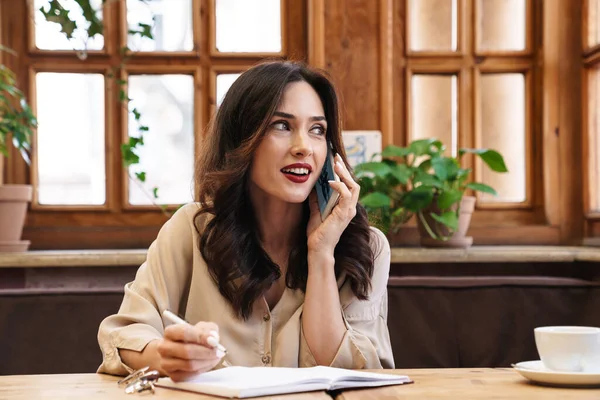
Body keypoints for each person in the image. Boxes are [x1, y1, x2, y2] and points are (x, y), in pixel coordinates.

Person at [97, 60, 394, 381]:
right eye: (281, 125)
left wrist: (321, 254)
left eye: (317, 130)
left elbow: (350, 374)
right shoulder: (191, 230)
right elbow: (124, 335)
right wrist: (166, 356)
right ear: (242, 140)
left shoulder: (367, 247)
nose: (303, 147)